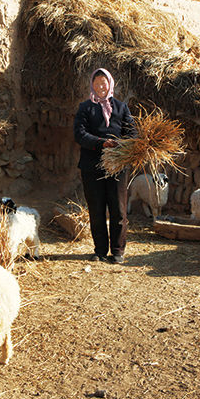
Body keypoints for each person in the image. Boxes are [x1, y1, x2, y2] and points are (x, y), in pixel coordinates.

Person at [74, 68, 137, 264]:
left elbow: (132, 132)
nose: (101, 86)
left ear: (110, 84)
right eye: (97, 83)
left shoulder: (121, 107)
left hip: (117, 166)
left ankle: (117, 251)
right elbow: (80, 134)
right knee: (96, 208)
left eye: (104, 82)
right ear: (92, 85)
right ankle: (100, 250)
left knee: (118, 209)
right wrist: (102, 143)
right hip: (92, 166)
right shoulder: (85, 108)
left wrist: (121, 145)